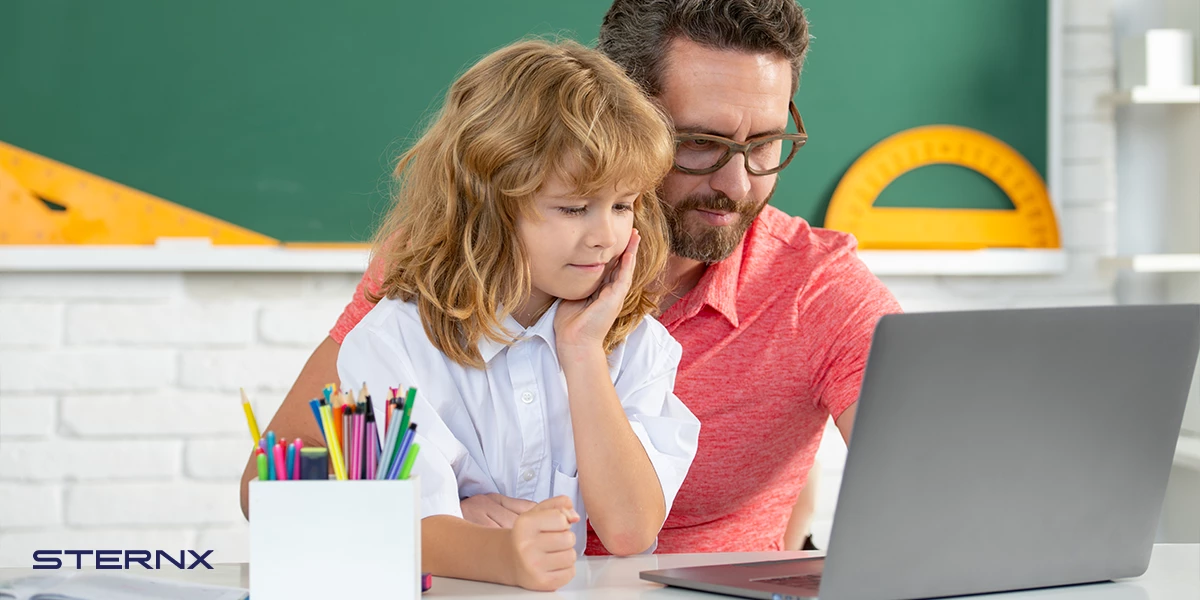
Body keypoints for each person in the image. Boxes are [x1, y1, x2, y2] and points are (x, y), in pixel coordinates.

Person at [241, 0, 901, 555]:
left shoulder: (816, 287)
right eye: (699, 142)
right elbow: (271, 486)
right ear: (616, 116)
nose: (738, 184)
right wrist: (448, 529)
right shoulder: (456, 263)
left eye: (765, 144)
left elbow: (942, 491)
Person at [334, 40, 699, 590]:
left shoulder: (633, 344)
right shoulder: (392, 345)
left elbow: (629, 530)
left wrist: (581, 355)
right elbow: (400, 525)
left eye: (623, 205)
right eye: (574, 208)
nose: (605, 236)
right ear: (489, 204)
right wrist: (499, 552)